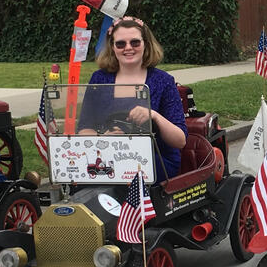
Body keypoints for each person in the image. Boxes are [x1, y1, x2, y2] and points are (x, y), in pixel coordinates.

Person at [78, 17, 188, 180]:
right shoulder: (99, 79)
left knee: (123, 171)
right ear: (112, 47)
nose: (128, 48)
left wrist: (154, 115)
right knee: (79, 177)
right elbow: (84, 128)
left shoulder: (163, 81)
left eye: (135, 42)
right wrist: (103, 139)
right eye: (120, 44)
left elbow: (180, 141)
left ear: (146, 44)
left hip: (154, 158)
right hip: (107, 155)